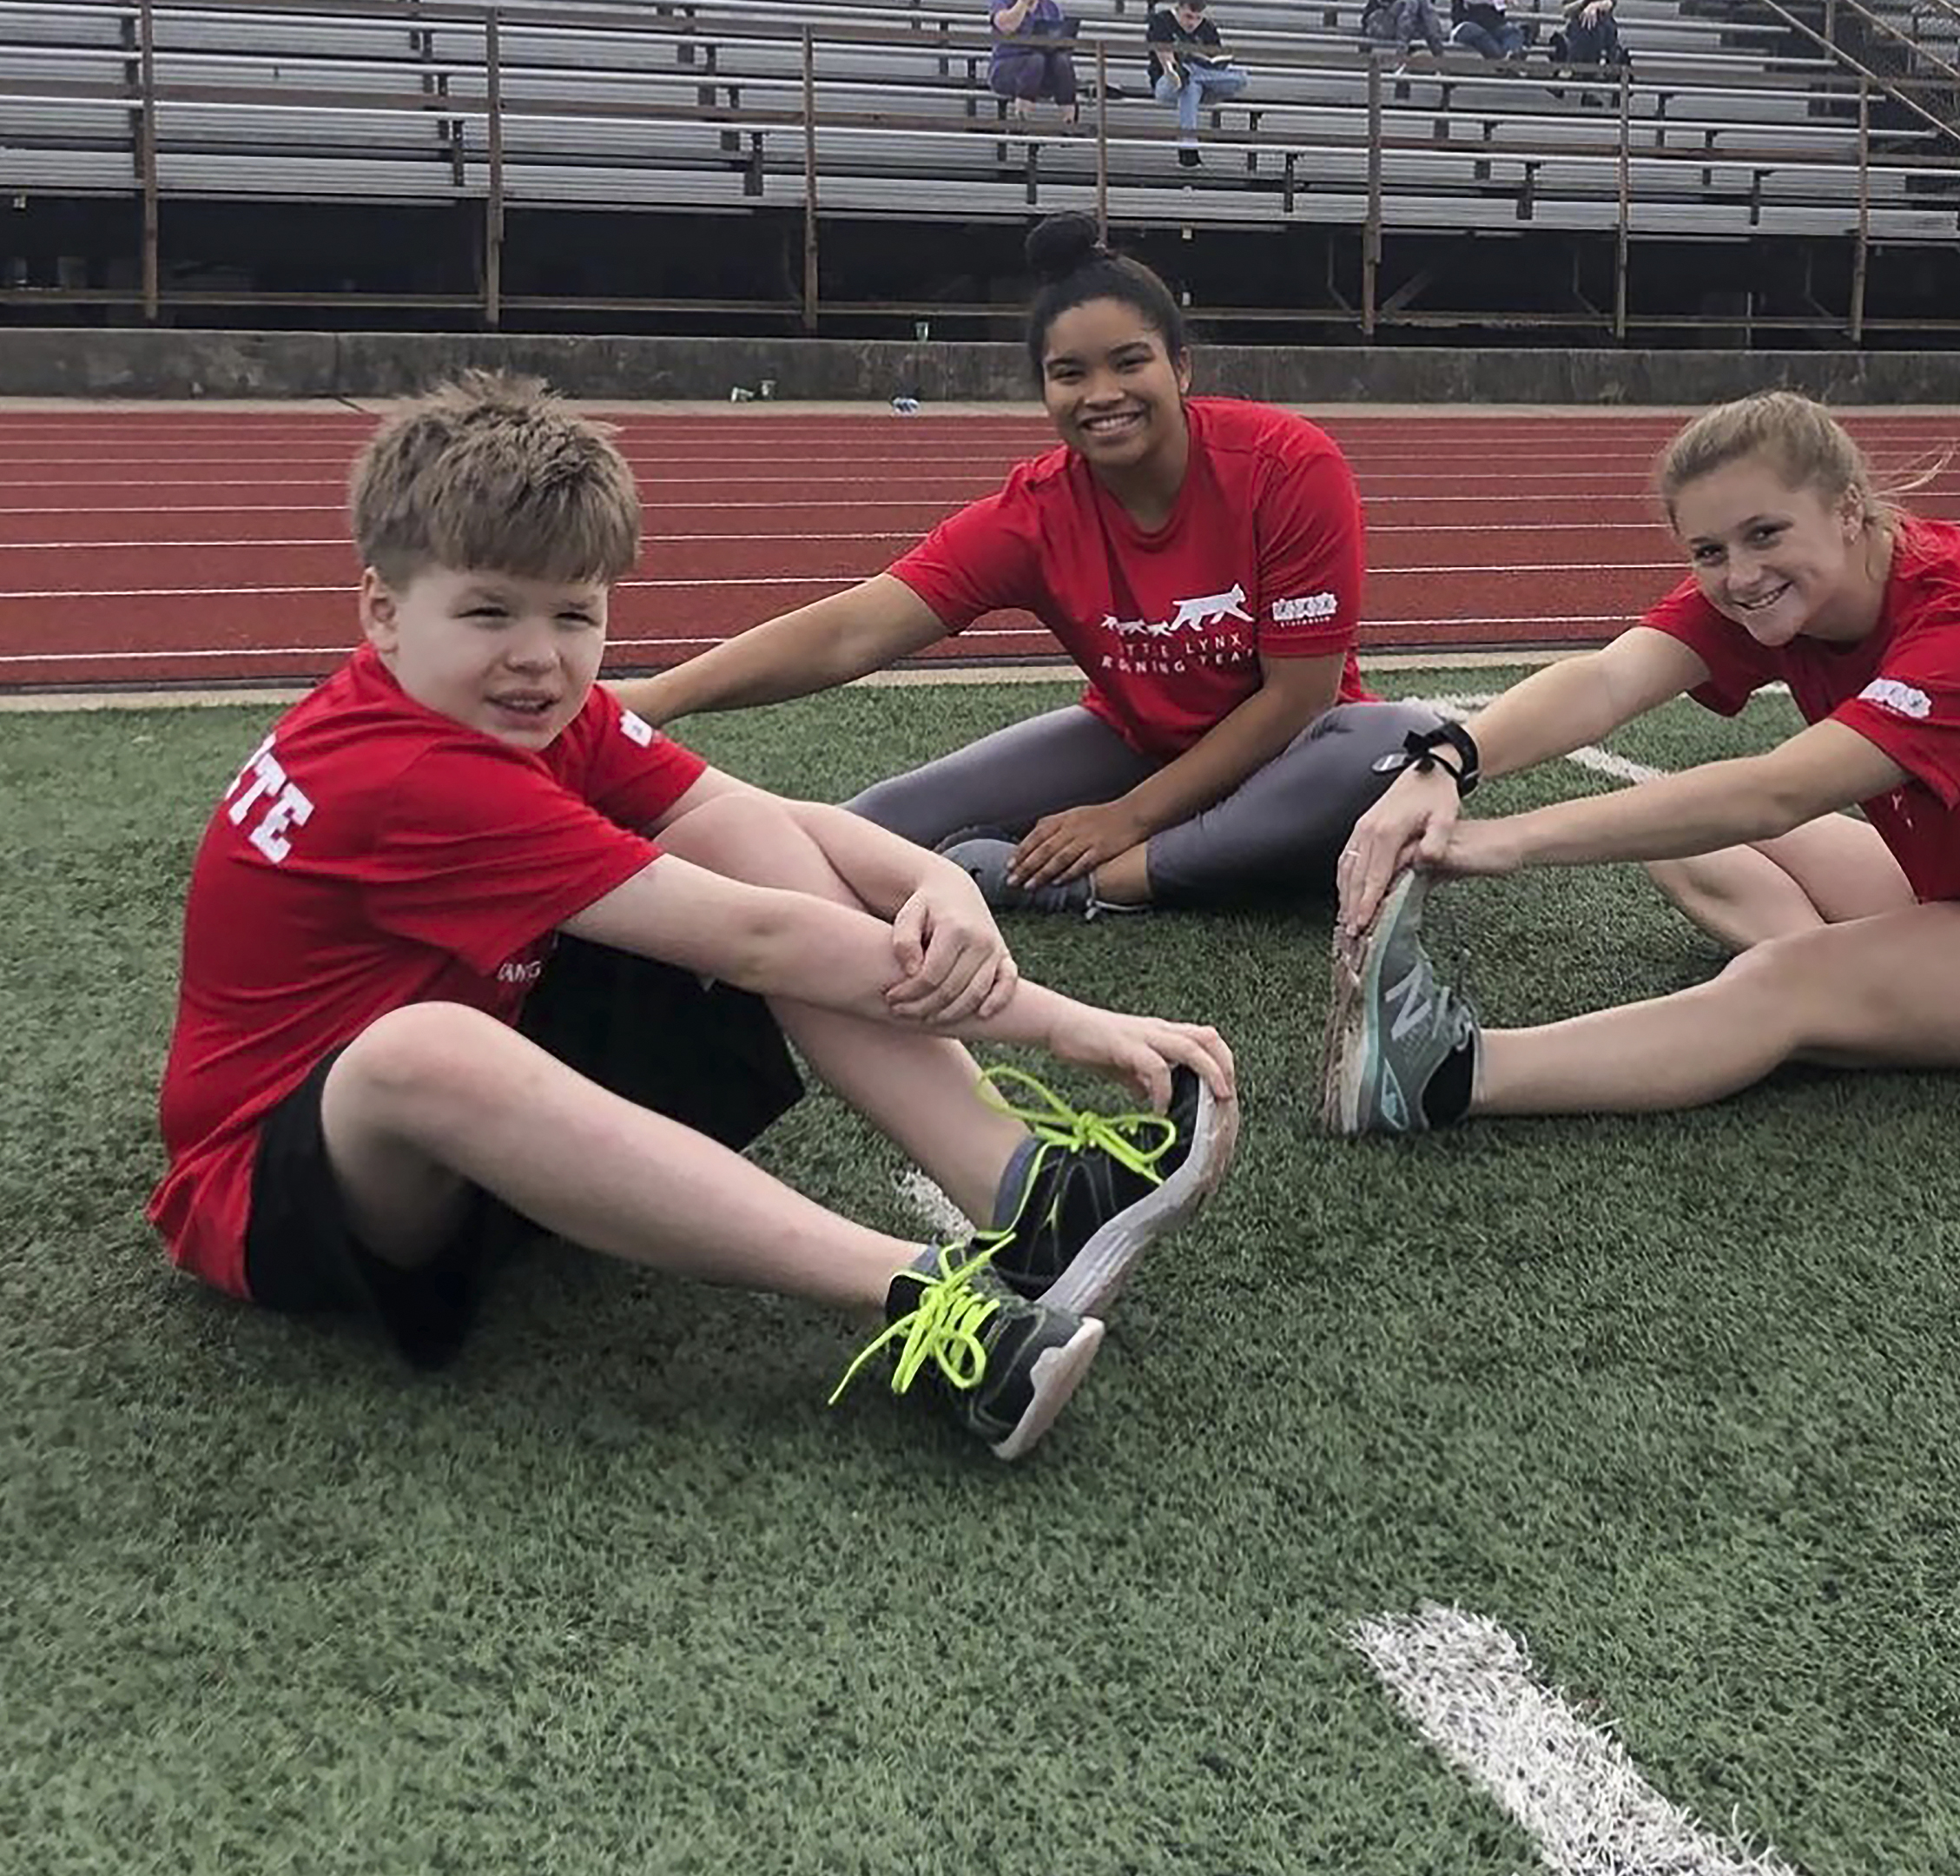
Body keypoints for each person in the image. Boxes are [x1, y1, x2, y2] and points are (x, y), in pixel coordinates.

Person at [148, 373, 1241, 1464]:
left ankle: (1023, 1190)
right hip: (302, 1187)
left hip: (494, 1084)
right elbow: (752, 939)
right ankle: (918, 1299)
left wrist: (934, 882)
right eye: (490, 611)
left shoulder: (515, 704)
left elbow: (741, 814)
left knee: (727, 841)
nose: (539, 655)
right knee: (418, 1053)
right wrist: (1065, 1022)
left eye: (574, 614)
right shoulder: (407, 772)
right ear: (382, 611)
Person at [1323, 390, 1960, 1135]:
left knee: (1782, 985)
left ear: (1850, 509)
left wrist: (1498, 842)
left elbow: (1779, 791)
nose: (1739, 575)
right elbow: (1607, 680)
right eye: (1709, 551)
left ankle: (1447, 1078)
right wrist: (1444, 760)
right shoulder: (1785, 588)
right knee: (1670, 827)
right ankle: (1871, 997)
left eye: (1764, 535)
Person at [611, 215, 1445, 919]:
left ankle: (1101, 883)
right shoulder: (1037, 513)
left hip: (1293, 761)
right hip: (1135, 741)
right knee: (877, 821)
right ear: (1042, 391)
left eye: (1130, 362)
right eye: (1069, 374)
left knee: (1395, 742)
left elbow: (1296, 699)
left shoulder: (1287, 465)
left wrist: (1127, 821)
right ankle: (653, 899)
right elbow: (855, 630)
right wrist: (654, 699)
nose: (1102, 394)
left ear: (1180, 367)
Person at [1146, 0, 1247, 168]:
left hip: (1203, 84)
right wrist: (1182, 69)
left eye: (1197, 18)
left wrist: (1199, 67)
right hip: (1167, 83)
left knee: (1241, 78)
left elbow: (1215, 62)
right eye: (1188, 17)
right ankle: (1188, 148)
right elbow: (1168, 64)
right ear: (1178, 10)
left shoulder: (1208, 29)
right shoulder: (1161, 21)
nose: (1192, 23)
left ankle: (1188, 151)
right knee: (1188, 85)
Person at [989, 0, 1081, 133]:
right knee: (1035, 60)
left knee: (1062, 61)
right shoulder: (1002, 2)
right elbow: (1007, 26)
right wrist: (1023, 4)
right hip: (1008, 66)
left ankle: (1069, 118)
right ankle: (1020, 117)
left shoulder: (1050, 6)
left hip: (1042, 69)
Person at [1450, 0, 1528, 62]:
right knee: (1480, 35)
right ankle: (1503, 60)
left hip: (1493, 26)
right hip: (1465, 25)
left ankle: (1513, 58)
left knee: (1513, 32)